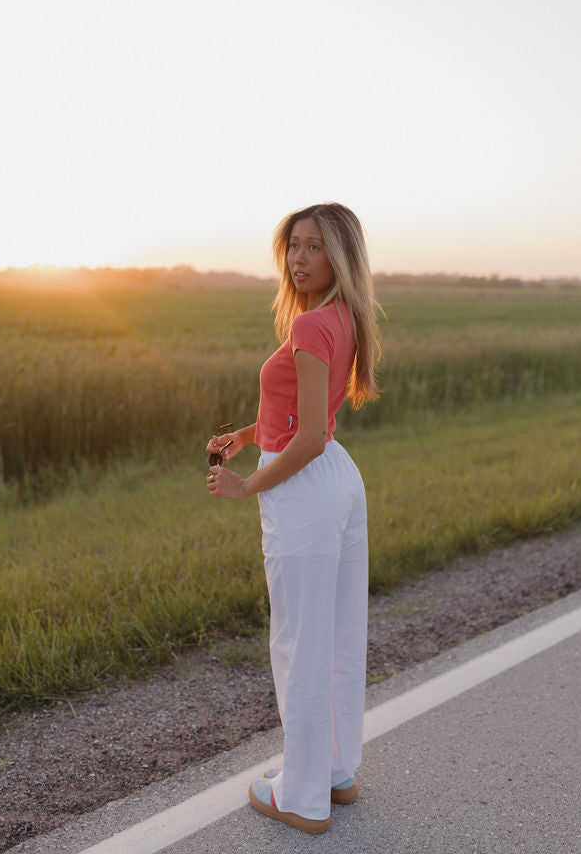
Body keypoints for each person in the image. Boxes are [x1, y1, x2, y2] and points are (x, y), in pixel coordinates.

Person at [205, 202, 380, 835]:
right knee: (334, 633)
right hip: (337, 479)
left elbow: (305, 437)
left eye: (313, 248)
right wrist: (250, 434)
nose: (299, 259)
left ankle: (302, 798)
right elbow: (308, 421)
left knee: (299, 641)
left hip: (305, 487)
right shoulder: (342, 317)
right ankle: (334, 770)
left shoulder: (309, 329)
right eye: (294, 247)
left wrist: (245, 484)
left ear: (340, 255)